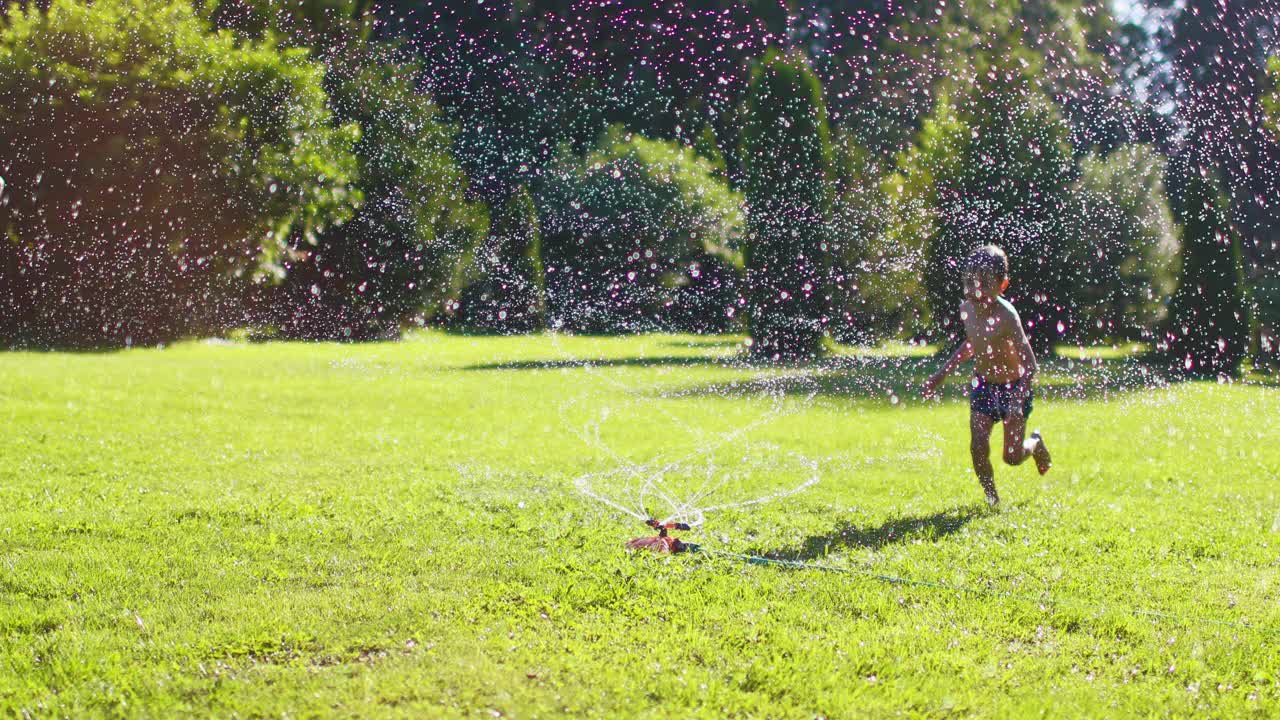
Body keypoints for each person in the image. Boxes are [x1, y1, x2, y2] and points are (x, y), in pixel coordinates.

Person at [921, 245, 1051, 507]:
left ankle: (1035, 444)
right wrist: (941, 373)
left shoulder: (1007, 316)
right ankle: (992, 499)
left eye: (984, 284)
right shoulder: (967, 309)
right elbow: (974, 342)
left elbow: (1030, 364)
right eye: (969, 283)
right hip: (983, 386)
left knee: (1011, 457)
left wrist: (1017, 400)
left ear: (1002, 284)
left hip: (1014, 388)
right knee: (978, 446)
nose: (975, 291)